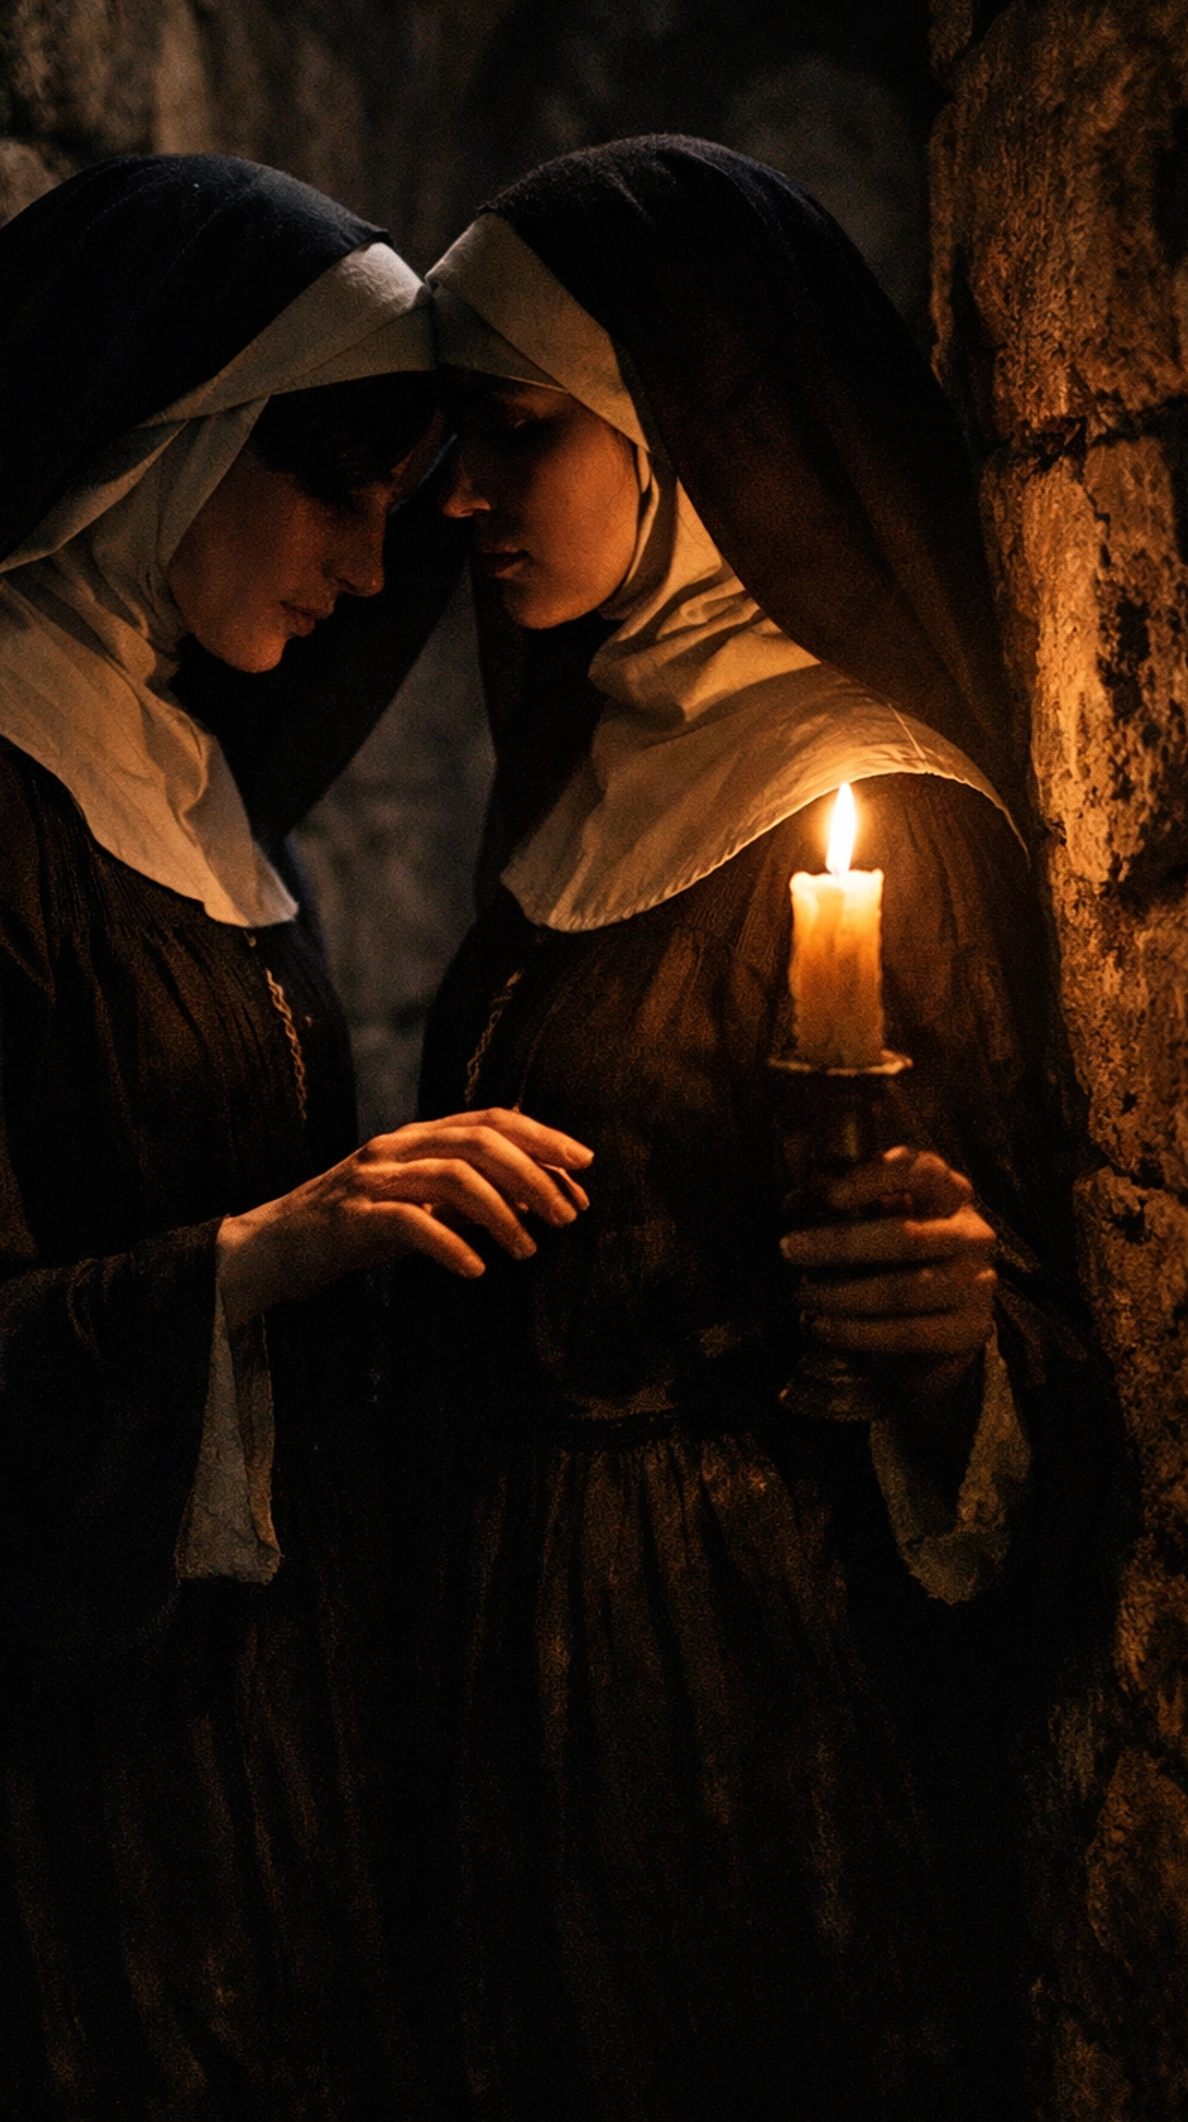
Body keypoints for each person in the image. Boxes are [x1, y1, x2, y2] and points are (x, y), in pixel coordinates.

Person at [0, 153, 591, 2121]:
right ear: (177, 443)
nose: (373, 575)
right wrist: (261, 1262)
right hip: (59, 1756)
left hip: (253, 1706)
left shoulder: (185, 770)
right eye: (338, 498)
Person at [399, 137, 1104, 2121]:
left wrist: (948, 1340)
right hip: (498, 1643)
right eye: (452, 431)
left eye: (516, 429)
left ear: (678, 435)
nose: (459, 491)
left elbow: (1000, 1313)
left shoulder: (869, 810)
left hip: (733, 1681)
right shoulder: (589, 754)